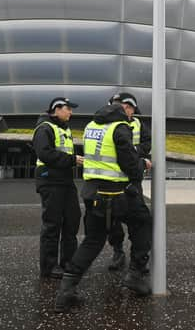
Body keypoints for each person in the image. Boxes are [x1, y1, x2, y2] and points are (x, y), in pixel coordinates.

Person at [55, 102, 153, 312]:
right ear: (121, 115)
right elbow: (130, 165)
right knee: (143, 221)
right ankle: (136, 273)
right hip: (115, 194)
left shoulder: (92, 125)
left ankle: (65, 292)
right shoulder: (119, 128)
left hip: (92, 193)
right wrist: (142, 164)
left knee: (93, 240)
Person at [32, 97, 84, 280]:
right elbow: (44, 153)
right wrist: (72, 160)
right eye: (68, 109)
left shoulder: (64, 128)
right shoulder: (44, 128)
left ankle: (68, 262)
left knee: (72, 220)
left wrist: (74, 159)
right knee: (52, 225)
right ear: (57, 109)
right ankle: (49, 267)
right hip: (50, 181)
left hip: (65, 181)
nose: (71, 112)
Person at [106, 93, 151, 271]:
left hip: (132, 181)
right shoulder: (106, 125)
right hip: (113, 181)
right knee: (112, 221)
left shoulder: (139, 124)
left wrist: (132, 150)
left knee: (138, 221)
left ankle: (137, 259)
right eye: (122, 105)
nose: (126, 109)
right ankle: (118, 252)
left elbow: (147, 144)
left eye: (129, 106)